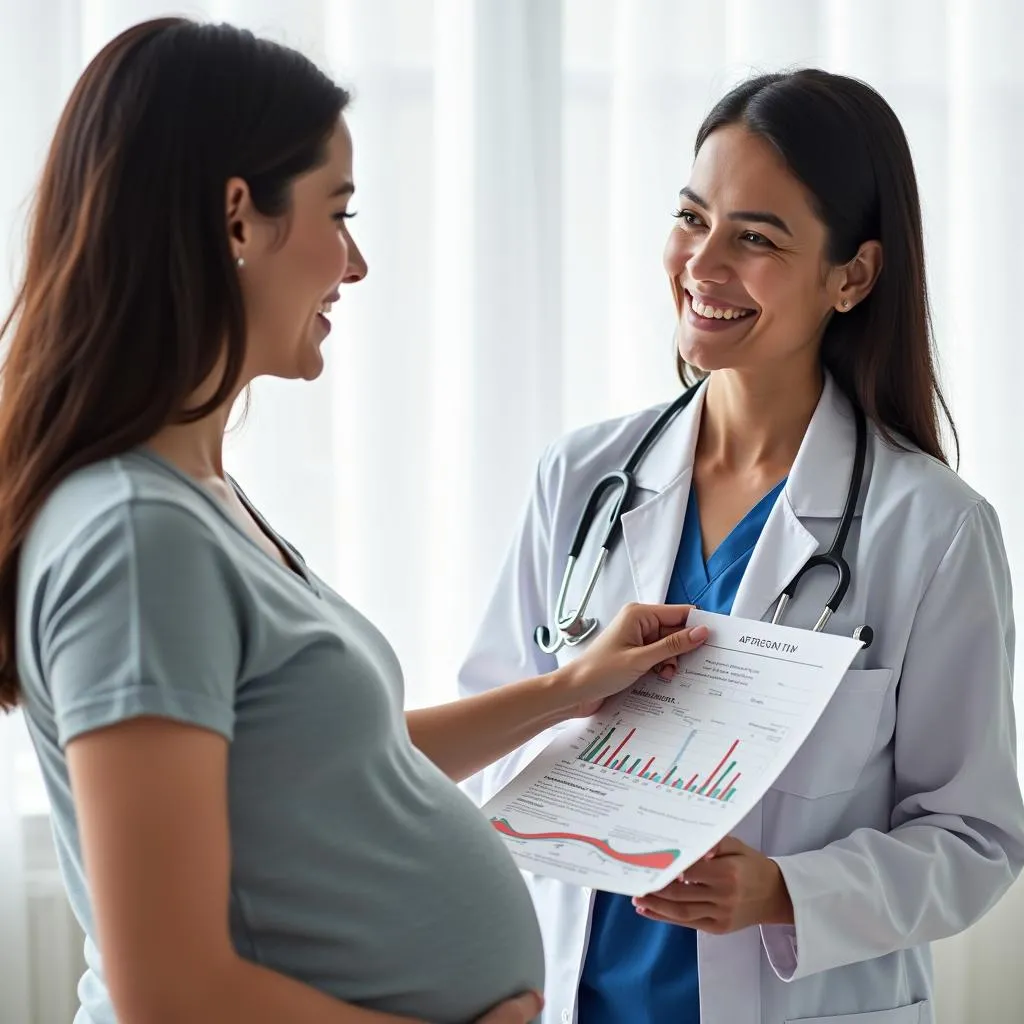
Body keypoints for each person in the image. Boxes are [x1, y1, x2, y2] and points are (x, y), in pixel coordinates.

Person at [0, 18, 712, 1024]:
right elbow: (172, 992)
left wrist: (567, 689)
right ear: (236, 219)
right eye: (338, 212)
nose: (357, 262)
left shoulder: (196, 502)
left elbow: (328, 773)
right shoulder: (133, 537)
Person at [459, 69, 1024, 1024]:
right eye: (692, 217)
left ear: (854, 275)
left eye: (755, 238)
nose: (703, 263)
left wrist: (784, 894)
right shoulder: (580, 478)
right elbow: (486, 739)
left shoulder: (930, 529)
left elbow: (974, 837)